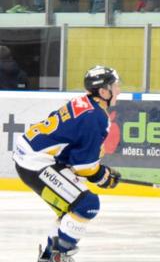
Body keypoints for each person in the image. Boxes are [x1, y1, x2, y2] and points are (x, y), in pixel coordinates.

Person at [13, 66, 121, 261]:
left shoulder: (83, 102)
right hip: (35, 162)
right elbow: (84, 167)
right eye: (115, 85)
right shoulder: (95, 117)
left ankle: (49, 256)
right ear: (104, 91)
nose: (119, 90)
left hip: (31, 156)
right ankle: (59, 256)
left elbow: (71, 149)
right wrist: (103, 176)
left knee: (72, 207)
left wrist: (99, 173)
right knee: (87, 204)